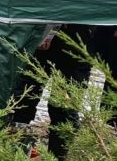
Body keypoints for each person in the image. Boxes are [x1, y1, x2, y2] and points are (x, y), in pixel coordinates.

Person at [10, 24, 94, 160]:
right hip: (40, 32)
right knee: (22, 100)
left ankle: (56, 157)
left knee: (64, 109)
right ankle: (14, 152)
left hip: (78, 41)